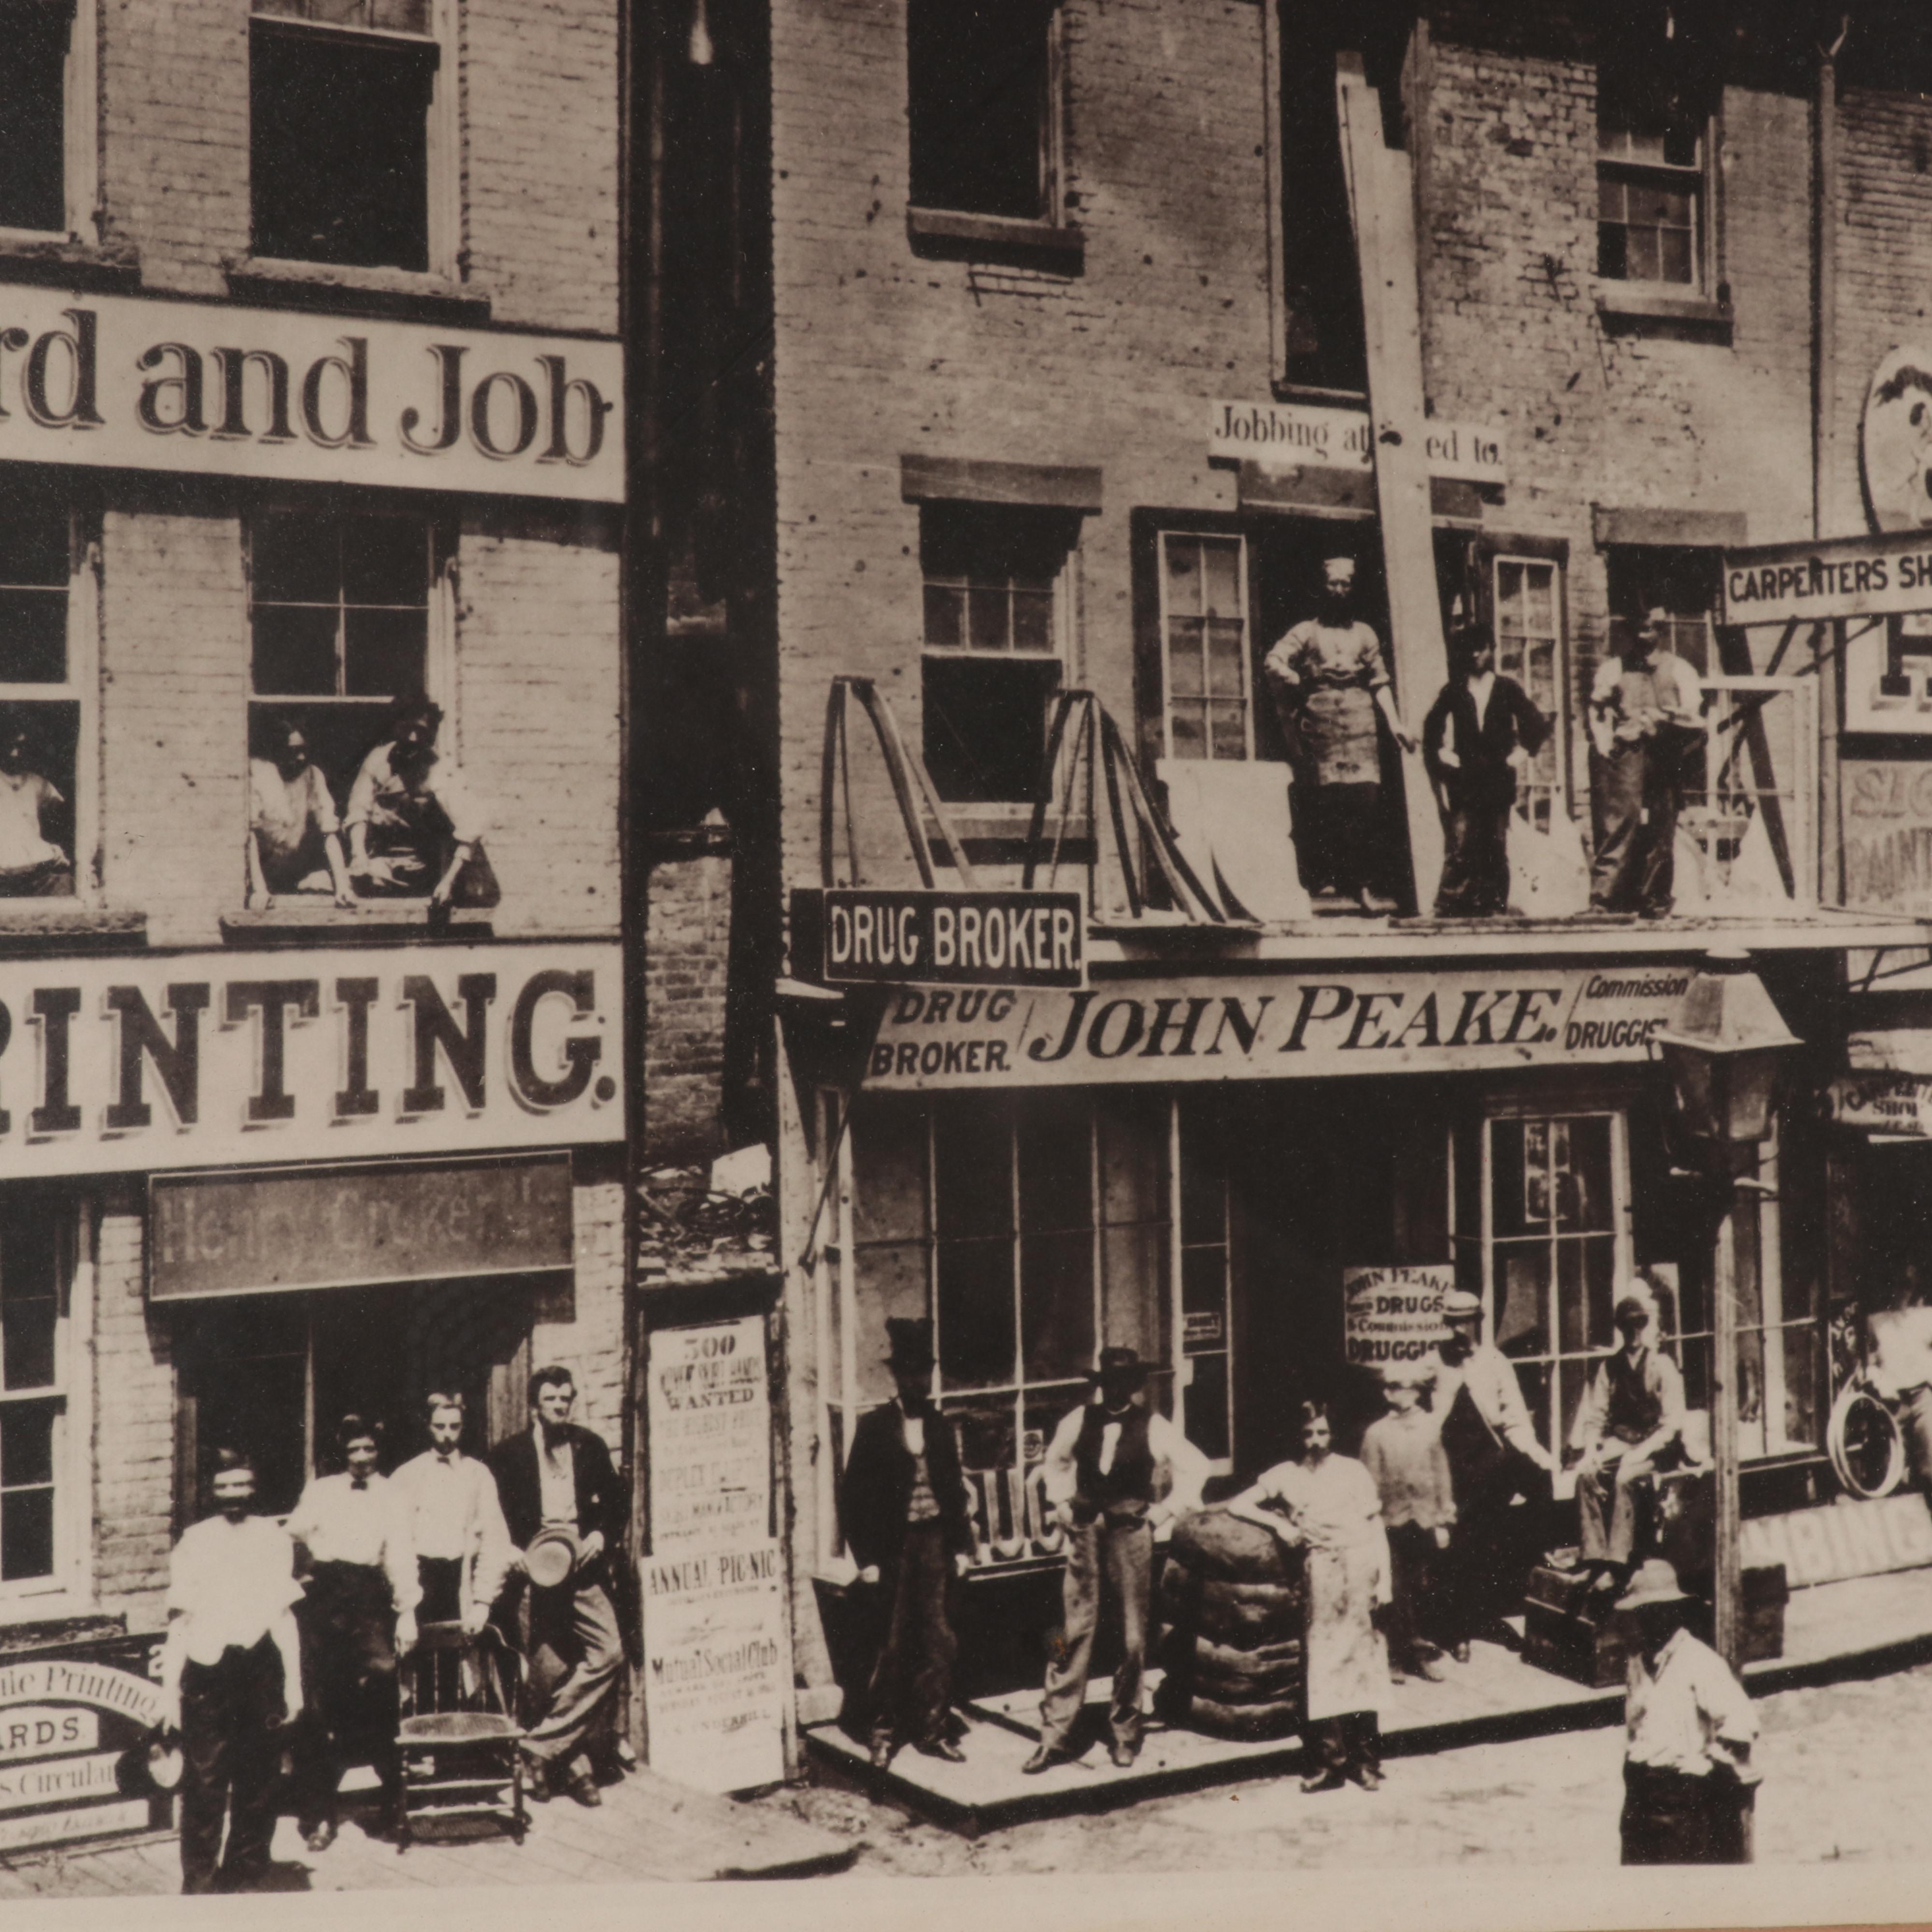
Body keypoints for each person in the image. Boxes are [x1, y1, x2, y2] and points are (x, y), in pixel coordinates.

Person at [1023, 1347, 1210, 1773]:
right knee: (1071, 1632)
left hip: (1131, 1534)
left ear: (1134, 1386)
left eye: (1123, 1384)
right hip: (1086, 1533)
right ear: (1101, 1385)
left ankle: (1125, 1732)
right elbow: (1055, 1462)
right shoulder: (1079, 1420)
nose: (1115, 1391)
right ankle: (1055, 1737)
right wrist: (1063, 1505)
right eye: (1108, 1383)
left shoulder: (1153, 1425)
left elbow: (1196, 1467)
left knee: (1131, 1638)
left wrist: (1163, 1512)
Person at [159, 1447, 305, 1895]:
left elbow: (284, 1617)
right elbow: (180, 1622)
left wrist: (295, 1685)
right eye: (224, 1487)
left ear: (254, 1487)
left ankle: (245, 1875)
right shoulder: (196, 1540)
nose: (234, 1495)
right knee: (204, 1784)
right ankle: (200, 1886)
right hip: (209, 1672)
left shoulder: (273, 1538)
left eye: (242, 1485)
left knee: (259, 1782)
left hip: (260, 1670)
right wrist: (168, 1695)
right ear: (212, 1492)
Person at [1225, 1400, 1390, 1792]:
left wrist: (1384, 1583)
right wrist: (1278, 1524)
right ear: (1298, 1437)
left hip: (1358, 1566)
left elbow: (1375, 1525)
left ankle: (1366, 1762)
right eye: (1308, 1434)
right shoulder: (1286, 1475)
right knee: (1323, 1666)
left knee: (1362, 1664)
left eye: (1323, 1433)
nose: (1316, 1442)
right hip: (1319, 1573)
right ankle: (1330, 1763)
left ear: (1334, 1435)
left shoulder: (1353, 1471)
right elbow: (1238, 1504)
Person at [838, 1318, 977, 1768]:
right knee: (893, 1643)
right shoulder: (875, 1427)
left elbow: (953, 1490)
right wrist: (867, 1559)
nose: (918, 1380)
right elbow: (854, 1498)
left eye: (925, 1372)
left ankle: (933, 1730)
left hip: (934, 1542)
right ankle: (883, 1733)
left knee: (940, 1640)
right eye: (911, 1372)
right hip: (893, 1548)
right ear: (897, 1376)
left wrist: (961, 1548)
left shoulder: (939, 1426)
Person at [490, 1365, 631, 1806]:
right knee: (547, 1673)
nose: (560, 1406)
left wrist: (600, 1536)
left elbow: (616, 1501)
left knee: (609, 1653)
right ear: (535, 1406)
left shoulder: (588, 1446)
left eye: (566, 1399)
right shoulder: (509, 1455)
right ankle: (574, 1770)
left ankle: (538, 1746)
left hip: (582, 1570)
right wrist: (509, 1550)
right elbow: (492, 1519)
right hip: (535, 1574)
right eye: (552, 1399)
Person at [287, 1415, 419, 1850]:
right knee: (318, 1706)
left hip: (369, 1597)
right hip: (325, 1598)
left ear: (379, 1451)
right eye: (353, 1451)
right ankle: (319, 1817)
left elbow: (400, 1554)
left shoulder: (394, 1495)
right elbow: (293, 1533)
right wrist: (301, 1577)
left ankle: (389, 1807)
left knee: (382, 1689)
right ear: (342, 1454)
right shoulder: (322, 1490)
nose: (362, 1458)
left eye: (369, 1449)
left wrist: (406, 1612)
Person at [1263, 555, 1417, 916]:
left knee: (1364, 804)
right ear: (1322, 587)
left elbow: (1380, 682)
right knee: (1326, 805)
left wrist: (1395, 724)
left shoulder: (1365, 634)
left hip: (1361, 723)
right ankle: (1325, 882)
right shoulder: (1306, 631)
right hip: (1322, 724)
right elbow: (1274, 660)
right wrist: (1293, 679)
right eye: (1333, 583)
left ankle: (1363, 885)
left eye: (1346, 584)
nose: (1340, 590)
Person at [1430, 1290, 1559, 1660]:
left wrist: (1537, 1455)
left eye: (1465, 1321)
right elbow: (1423, 1425)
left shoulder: (1495, 1362)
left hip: (1489, 1460)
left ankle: (1537, 1564)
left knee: (1537, 1479)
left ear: (1478, 1322)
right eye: (1452, 1322)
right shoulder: (1434, 1364)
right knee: (1462, 1536)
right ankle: (1459, 1631)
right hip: (1449, 1463)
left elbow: (1516, 1420)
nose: (1459, 1330)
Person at [1616, 1559, 1760, 1864]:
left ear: (1673, 1612)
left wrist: (1706, 1767)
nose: (1647, 1620)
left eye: (1655, 1611)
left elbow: (1740, 1722)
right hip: (1642, 1796)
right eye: (1641, 1612)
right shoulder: (1640, 1663)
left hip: (1681, 1803)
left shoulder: (1699, 1661)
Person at [1421, 620, 1550, 918]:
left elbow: (1537, 723)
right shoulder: (1455, 689)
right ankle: (1450, 903)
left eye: (1481, 649)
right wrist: (1443, 753)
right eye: (1469, 649)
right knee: (1462, 841)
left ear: (1492, 651)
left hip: (1497, 777)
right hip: (1465, 778)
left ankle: (1493, 904)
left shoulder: (1507, 688)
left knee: (1495, 842)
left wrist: (1520, 753)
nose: (1475, 655)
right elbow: (1432, 726)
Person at [1587, 609, 1705, 916]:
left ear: (1660, 631)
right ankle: (1605, 900)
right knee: (1620, 823)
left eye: (1649, 630)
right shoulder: (1615, 669)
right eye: (1638, 630)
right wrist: (1604, 743)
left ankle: (1655, 900)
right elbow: (1597, 709)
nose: (1643, 637)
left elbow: (1694, 715)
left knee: (1661, 826)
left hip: (1664, 753)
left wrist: (1667, 716)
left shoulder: (1680, 669)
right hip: (1629, 753)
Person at [1572, 1287, 1688, 1593]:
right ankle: (1594, 1559)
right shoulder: (1609, 1368)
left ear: (1646, 1326)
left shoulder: (1661, 1366)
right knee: (1586, 1475)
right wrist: (1592, 1450)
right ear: (1620, 1328)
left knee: (1624, 1477)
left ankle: (1617, 1564)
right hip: (1623, 1441)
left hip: (1657, 1445)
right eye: (1627, 1325)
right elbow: (1596, 1417)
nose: (1634, 1332)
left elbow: (1672, 1424)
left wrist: (1641, 1453)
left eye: (1639, 1324)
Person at [343, 695, 492, 908]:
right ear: (395, 725)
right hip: (380, 861)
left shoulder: (441, 769)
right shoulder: (378, 759)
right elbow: (359, 810)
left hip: (422, 868)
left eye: (421, 731)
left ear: (431, 733)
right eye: (407, 728)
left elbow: (472, 825)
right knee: (316, 883)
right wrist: (358, 855)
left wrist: (448, 882)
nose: (413, 738)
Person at [1357, 1364, 1453, 1683]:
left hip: (1423, 1520)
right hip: (1390, 1523)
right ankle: (1393, 1657)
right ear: (1387, 1393)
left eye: (1412, 1388)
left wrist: (1442, 1519)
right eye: (1398, 1387)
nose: (1405, 1394)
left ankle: (1421, 1654)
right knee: (1394, 1590)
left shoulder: (1430, 1427)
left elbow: (1441, 1473)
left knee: (1421, 1588)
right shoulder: (1377, 1433)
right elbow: (1368, 1482)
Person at [391, 1392, 513, 1629]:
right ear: (428, 1426)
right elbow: (396, 1544)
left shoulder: (479, 1475)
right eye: (440, 1426)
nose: (447, 1434)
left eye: (454, 1426)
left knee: (460, 1657)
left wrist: (483, 1602)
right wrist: (405, 1606)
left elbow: (495, 1541)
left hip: (461, 1579)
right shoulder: (406, 1475)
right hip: (420, 1580)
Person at [247, 715, 356, 910]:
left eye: (304, 751)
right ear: (276, 751)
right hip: (261, 874)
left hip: (294, 872)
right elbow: (251, 836)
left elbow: (329, 832)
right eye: (293, 752)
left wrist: (342, 886)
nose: (301, 758)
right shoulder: (257, 774)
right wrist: (259, 889)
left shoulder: (312, 775)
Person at [0, 709, 71, 896]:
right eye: (9, 746)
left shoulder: (38, 784)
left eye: (20, 746)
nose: (15, 753)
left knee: (65, 887)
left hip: (34, 870)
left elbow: (62, 818)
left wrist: (55, 848)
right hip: (2, 871)